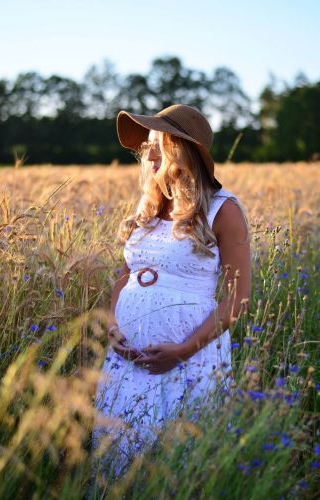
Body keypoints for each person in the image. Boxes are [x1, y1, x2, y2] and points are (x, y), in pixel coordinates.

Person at [93, 104, 251, 479]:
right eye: (146, 144)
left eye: (155, 143)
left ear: (179, 149)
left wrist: (181, 351)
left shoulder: (222, 210)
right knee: (119, 456)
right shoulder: (147, 208)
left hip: (189, 359)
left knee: (178, 463)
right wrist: (113, 326)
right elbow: (126, 274)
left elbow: (237, 299)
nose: (146, 153)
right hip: (126, 359)